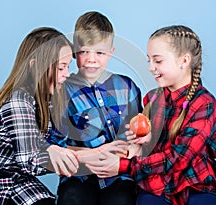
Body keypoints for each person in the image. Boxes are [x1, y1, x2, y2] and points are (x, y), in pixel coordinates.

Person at [85, 25, 216, 205]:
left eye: (158, 61)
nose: (151, 68)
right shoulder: (152, 98)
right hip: (156, 183)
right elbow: (146, 150)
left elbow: (180, 158)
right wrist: (140, 145)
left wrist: (123, 166)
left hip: (195, 184)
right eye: (149, 60)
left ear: (184, 60)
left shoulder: (204, 104)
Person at [0, 27, 79, 205]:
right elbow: (30, 159)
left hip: (18, 181)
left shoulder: (48, 102)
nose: (66, 74)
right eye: (61, 67)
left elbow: (58, 146)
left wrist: (96, 153)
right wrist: (61, 154)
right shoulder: (19, 100)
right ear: (35, 67)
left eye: (68, 67)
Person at [47, 11, 143, 205]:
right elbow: (56, 145)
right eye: (84, 52)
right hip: (79, 175)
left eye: (99, 52)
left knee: (121, 201)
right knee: (72, 199)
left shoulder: (127, 87)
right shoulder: (61, 91)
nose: (92, 59)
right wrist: (91, 157)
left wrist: (124, 158)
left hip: (118, 174)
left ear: (111, 52)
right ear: (75, 52)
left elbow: (139, 136)